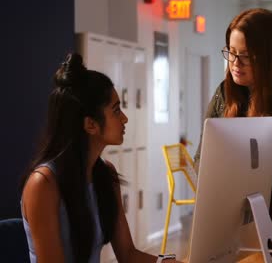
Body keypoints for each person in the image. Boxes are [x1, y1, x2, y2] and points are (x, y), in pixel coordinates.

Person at [19, 53, 178, 263]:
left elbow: (128, 255)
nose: (125, 118)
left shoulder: (105, 173)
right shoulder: (43, 185)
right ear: (90, 125)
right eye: (116, 110)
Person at [193, 8, 272, 260]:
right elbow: (201, 161)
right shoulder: (225, 93)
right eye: (231, 52)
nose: (235, 64)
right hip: (228, 230)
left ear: (269, 56)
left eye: (246, 56)